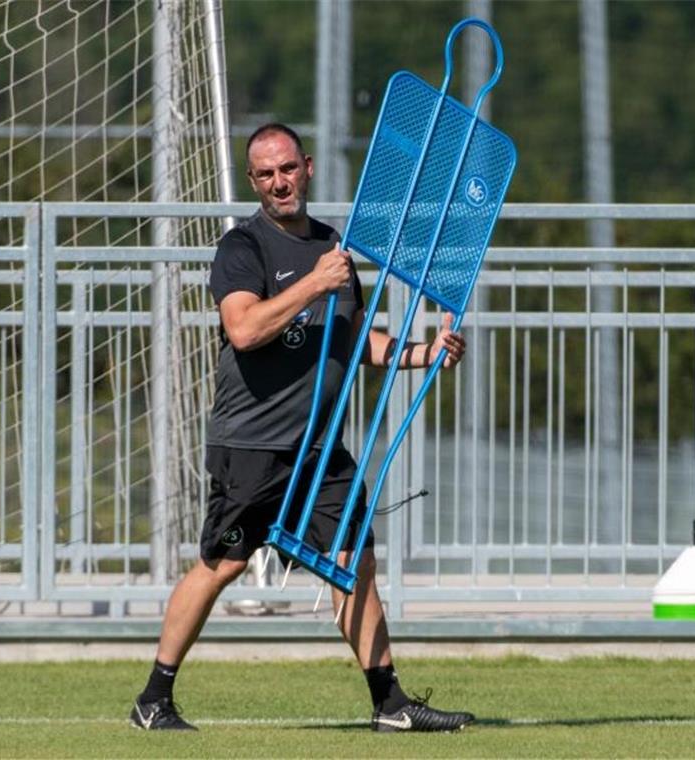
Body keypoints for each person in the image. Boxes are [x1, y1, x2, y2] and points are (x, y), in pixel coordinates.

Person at [130, 123, 474, 733]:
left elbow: (356, 337)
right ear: (253, 180)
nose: (277, 183)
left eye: (286, 169)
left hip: (320, 449)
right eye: (264, 174)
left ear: (307, 167)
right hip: (252, 445)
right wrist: (315, 282)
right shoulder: (244, 249)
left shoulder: (333, 244)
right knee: (222, 565)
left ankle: (390, 704)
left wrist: (424, 352)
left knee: (354, 560)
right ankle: (153, 699)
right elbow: (243, 329)